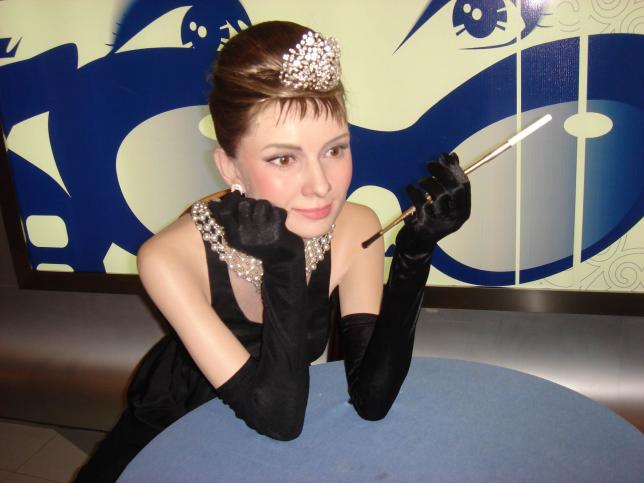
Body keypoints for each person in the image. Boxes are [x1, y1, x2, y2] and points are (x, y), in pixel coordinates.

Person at [74, 20, 470, 482]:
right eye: (284, 158)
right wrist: (284, 262)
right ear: (229, 167)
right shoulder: (168, 257)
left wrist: (415, 255)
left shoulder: (356, 227)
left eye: (335, 150)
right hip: (173, 434)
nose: (321, 185)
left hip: (269, 442)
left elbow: (372, 400)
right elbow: (279, 419)